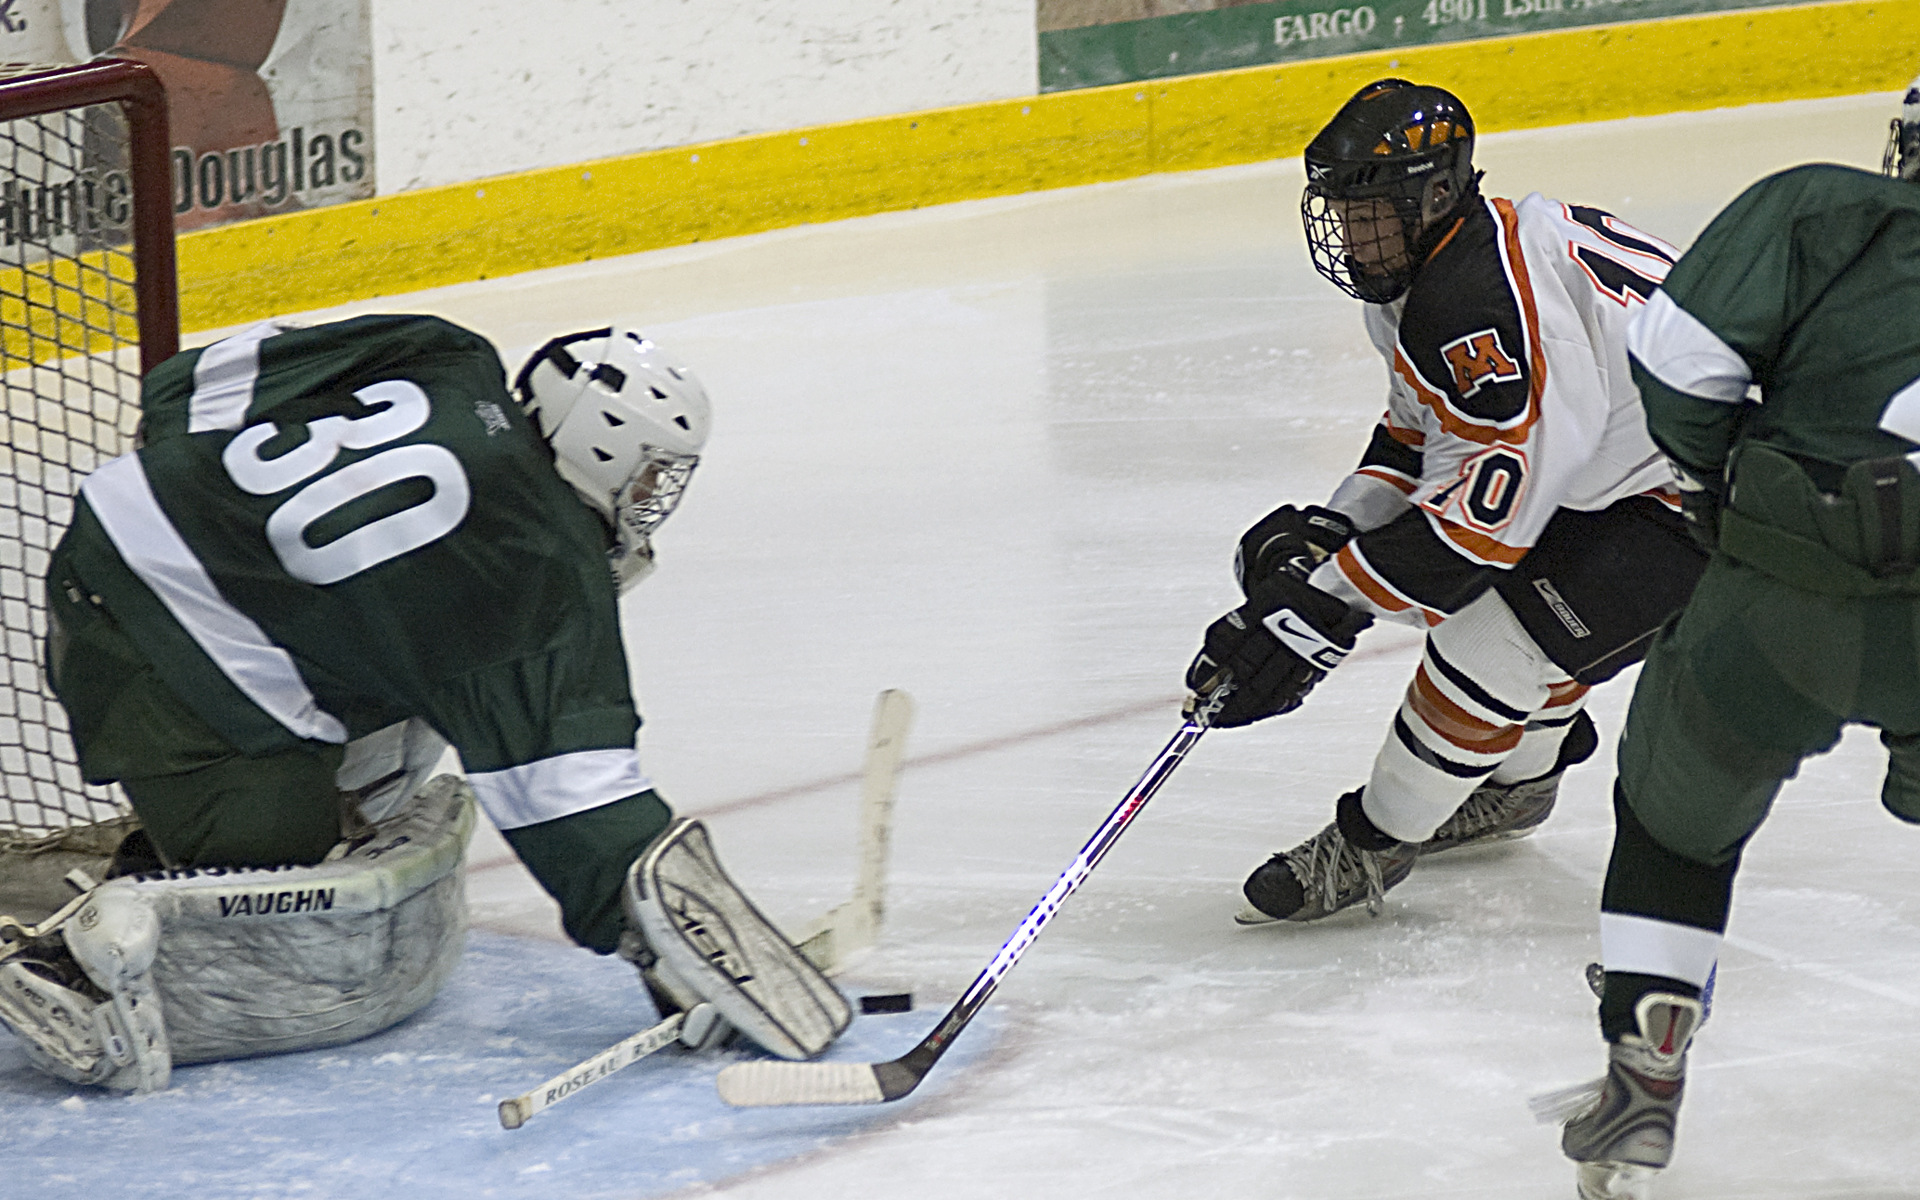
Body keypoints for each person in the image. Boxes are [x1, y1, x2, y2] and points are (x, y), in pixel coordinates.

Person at [0, 314, 849, 1092]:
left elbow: (202, 378)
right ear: (606, 442)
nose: (650, 500)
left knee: (411, 711)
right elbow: (576, 800)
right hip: (144, 639)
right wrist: (663, 942)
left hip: (129, 546)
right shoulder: (534, 567)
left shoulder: (447, 355)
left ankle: (195, 826)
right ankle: (67, 971)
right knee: (274, 889)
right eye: (652, 474)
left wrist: (211, 503)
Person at [1187, 79, 1707, 924]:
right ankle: (1517, 787)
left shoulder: (1478, 306)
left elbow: (1474, 539)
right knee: (1535, 598)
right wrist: (1336, 529)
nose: (1353, 238)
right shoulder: (1435, 271)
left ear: (1433, 194)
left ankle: (1371, 845)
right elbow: (1423, 440)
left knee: (1492, 636)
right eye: (1343, 215)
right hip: (1644, 464)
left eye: (1371, 215)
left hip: (1728, 492)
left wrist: (1320, 609)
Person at [1556, 85, 1920, 1199]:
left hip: (1784, 597)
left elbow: (1674, 363)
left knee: (1674, 824)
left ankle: (1642, 1064)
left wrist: (1720, 476)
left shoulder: (1824, 212)